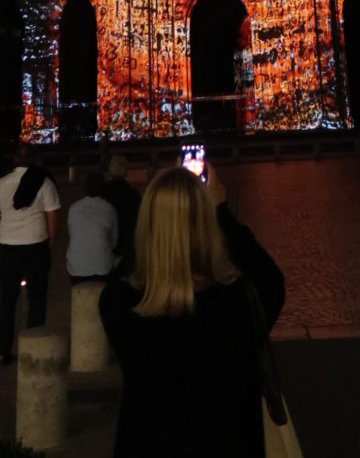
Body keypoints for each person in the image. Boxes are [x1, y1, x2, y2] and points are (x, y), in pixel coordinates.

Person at [99, 163, 285, 458]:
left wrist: (157, 215)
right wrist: (222, 211)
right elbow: (269, 276)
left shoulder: (124, 308)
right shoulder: (239, 306)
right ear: (208, 227)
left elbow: (121, 276)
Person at [0, 153, 61, 364]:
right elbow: (52, 213)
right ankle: (33, 347)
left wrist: (1, 235)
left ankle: (2, 351)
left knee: (8, 300)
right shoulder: (43, 182)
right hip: (36, 242)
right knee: (37, 297)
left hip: (10, 247)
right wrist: (52, 238)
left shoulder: (1, 184)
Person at [67, 171, 119, 282]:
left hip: (76, 267)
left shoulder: (74, 209)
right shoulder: (109, 209)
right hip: (103, 266)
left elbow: (72, 235)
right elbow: (114, 242)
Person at [101, 152, 141, 269]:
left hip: (106, 244)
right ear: (126, 172)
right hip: (128, 245)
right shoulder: (133, 194)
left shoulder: (103, 193)